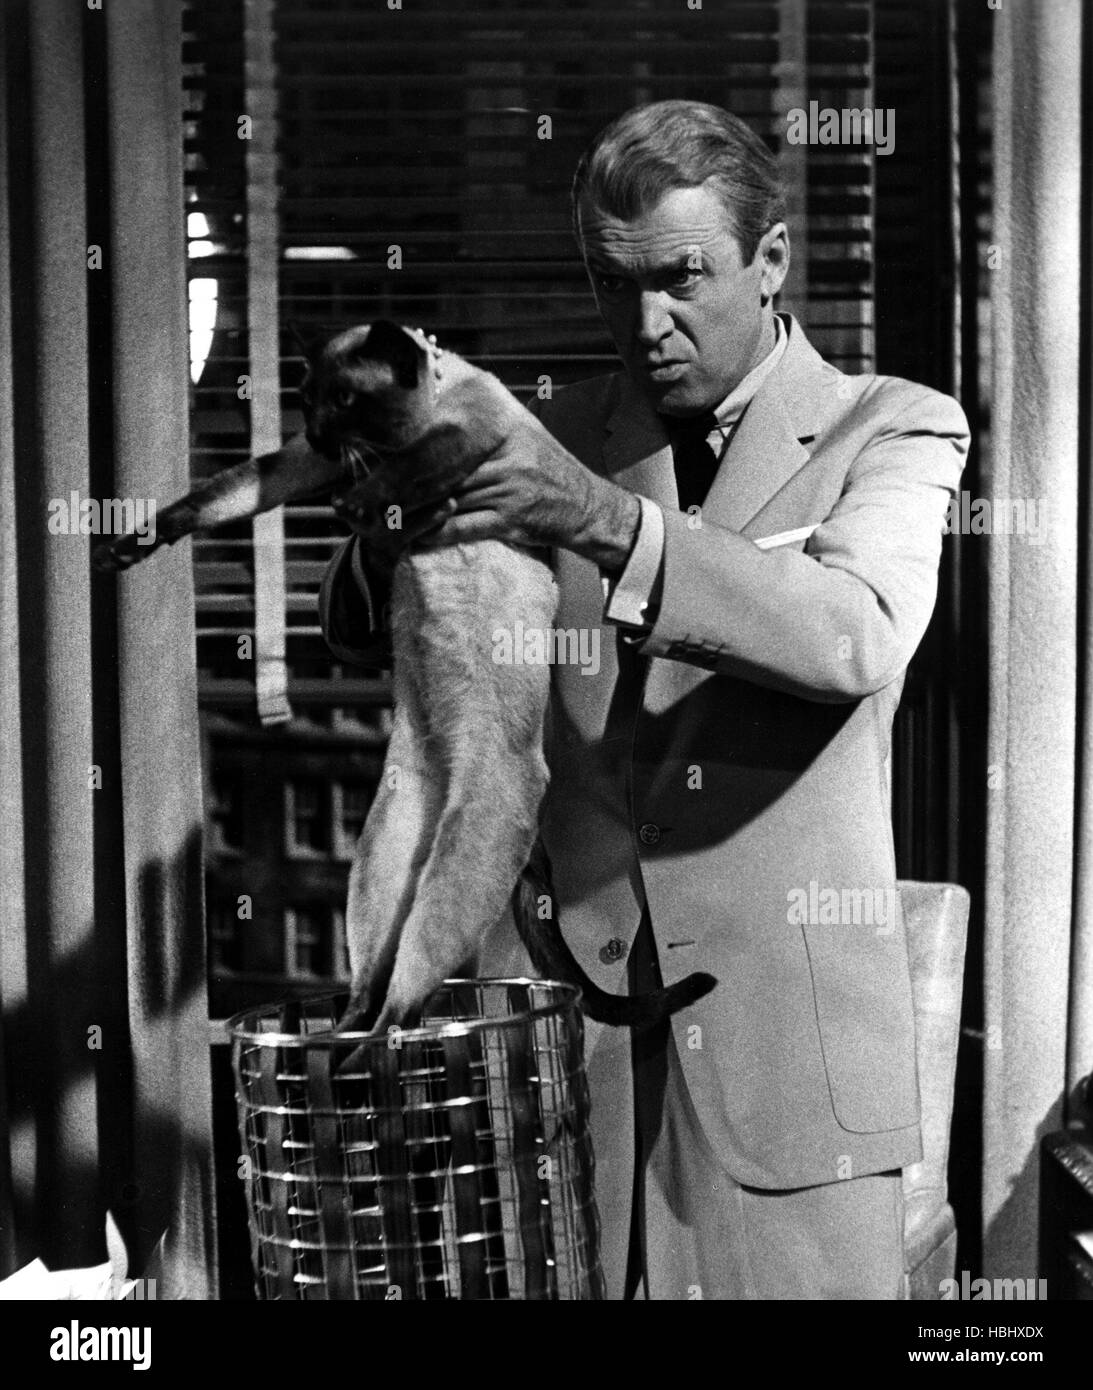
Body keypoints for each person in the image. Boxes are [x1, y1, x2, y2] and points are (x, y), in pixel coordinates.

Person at [319, 99, 969, 1300]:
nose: (645, 322)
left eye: (680, 278)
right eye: (612, 284)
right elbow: (372, 628)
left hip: (789, 1071)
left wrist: (605, 523)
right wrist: (381, 534)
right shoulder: (549, 435)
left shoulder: (893, 425)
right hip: (574, 1071)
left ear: (768, 260)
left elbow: (852, 634)